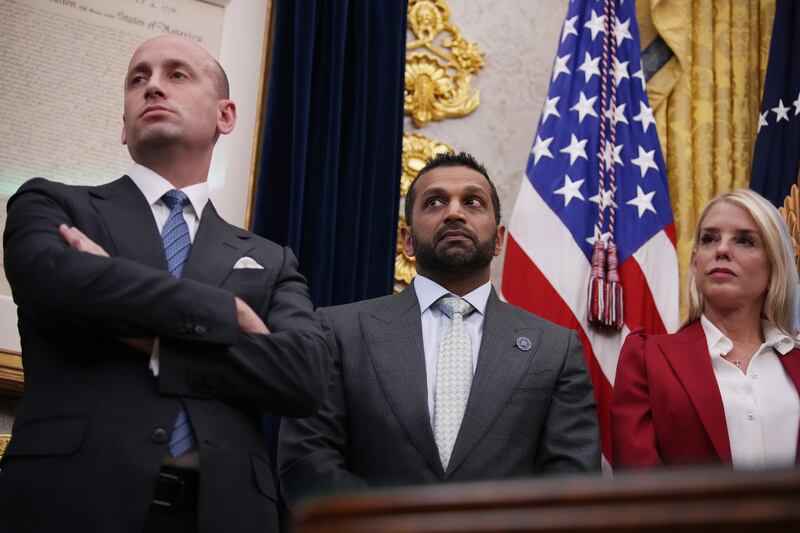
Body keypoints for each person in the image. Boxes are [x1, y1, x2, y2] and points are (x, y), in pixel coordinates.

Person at [0, 35, 330, 532]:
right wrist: (229, 315)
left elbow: (303, 376)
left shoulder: (270, 259)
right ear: (123, 124)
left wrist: (145, 334)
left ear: (226, 116)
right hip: (67, 500)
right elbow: (55, 282)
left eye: (177, 74)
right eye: (138, 79)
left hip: (224, 515)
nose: (153, 86)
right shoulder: (52, 204)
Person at [278, 151, 601, 507]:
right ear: (408, 240)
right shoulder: (339, 331)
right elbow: (307, 462)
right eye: (434, 202)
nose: (454, 212)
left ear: (498, 240)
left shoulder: (554, 349)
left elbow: (572, 484)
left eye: (473, 202)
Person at [612, 188, 800, 470]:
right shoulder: (647, 358)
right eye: (710, 238)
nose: (722, 250)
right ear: (697, 260)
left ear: (774, 265)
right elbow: (640, 491)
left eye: (745, 240)